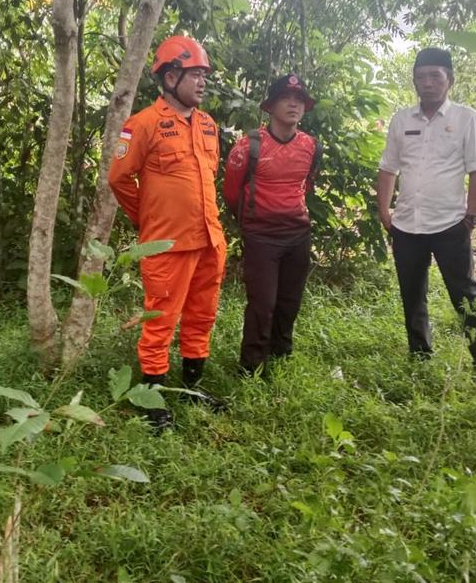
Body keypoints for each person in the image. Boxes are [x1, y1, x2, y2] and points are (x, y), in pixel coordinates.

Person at [108, 35, 227, 432]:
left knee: (201, 316)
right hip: (167, 244)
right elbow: (120, 179)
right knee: (160, 321)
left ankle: (192, 386)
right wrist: (150, 223)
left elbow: (206, 179)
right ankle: (151, 397)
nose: (202, 82)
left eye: (204, 75)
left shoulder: (209, 125)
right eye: (195, 74)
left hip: (209, 240)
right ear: (171, 76)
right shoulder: (142, 124)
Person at [376, 48, 476, 368]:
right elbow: (388, 168)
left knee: (465, 293)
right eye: (421, 77)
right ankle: (420, 355)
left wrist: (471, 216)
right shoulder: (402, 119)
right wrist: (385, 213)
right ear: (414, 82)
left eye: (435, 76)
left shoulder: (466, 118)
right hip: (406, 225)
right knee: (412, 294)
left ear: (449, 80)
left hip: (449, 223)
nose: (427, 83)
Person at [222, 74, 321, 377]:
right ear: (271, 106)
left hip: (297, 234)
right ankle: (251, 366)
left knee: (289, 301)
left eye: (299, 99)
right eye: (285, 98)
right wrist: (255, 219)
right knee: (262, 304)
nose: (293, 104)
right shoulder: (248, 146)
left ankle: (280, 354)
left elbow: (306, 185)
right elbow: (231, 192)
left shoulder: (311, 146)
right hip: (261, 236)